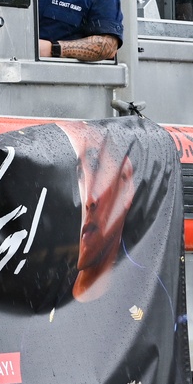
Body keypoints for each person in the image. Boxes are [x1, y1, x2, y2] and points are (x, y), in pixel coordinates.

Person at [56, 120, 136, 302]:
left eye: (95, 167)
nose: (88, 200)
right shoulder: (49, 295)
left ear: (125, 184)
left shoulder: (145, 295)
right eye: (79, 174)